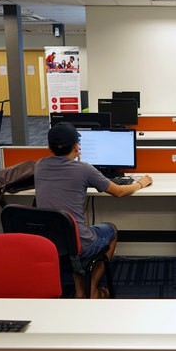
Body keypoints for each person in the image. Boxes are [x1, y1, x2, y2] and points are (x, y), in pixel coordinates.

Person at [35, 122, 153, 298]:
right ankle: (92, 288)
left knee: (71, 233)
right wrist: (140, 183)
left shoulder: (39, 165)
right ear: (77, 146)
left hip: (50, 242)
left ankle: (79, 290)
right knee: (111, 230)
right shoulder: (84, 169)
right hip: (79, 244)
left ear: (48, 147)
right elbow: (119, 192)